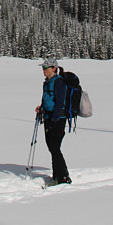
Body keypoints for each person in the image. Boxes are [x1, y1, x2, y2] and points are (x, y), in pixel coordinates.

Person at [35, 57, 71, 185]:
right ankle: (57, 175)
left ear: (54, 68)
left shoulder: (59, 82)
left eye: (46, 68)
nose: (43, 70)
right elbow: (46, 99)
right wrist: (41, 108)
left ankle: (63, 177)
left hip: (58, 118)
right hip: (48, 117)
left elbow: (60, 102)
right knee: (52, 147)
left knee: (55, 147)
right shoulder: (47, 82)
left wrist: (55, 118)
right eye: (43, 68)